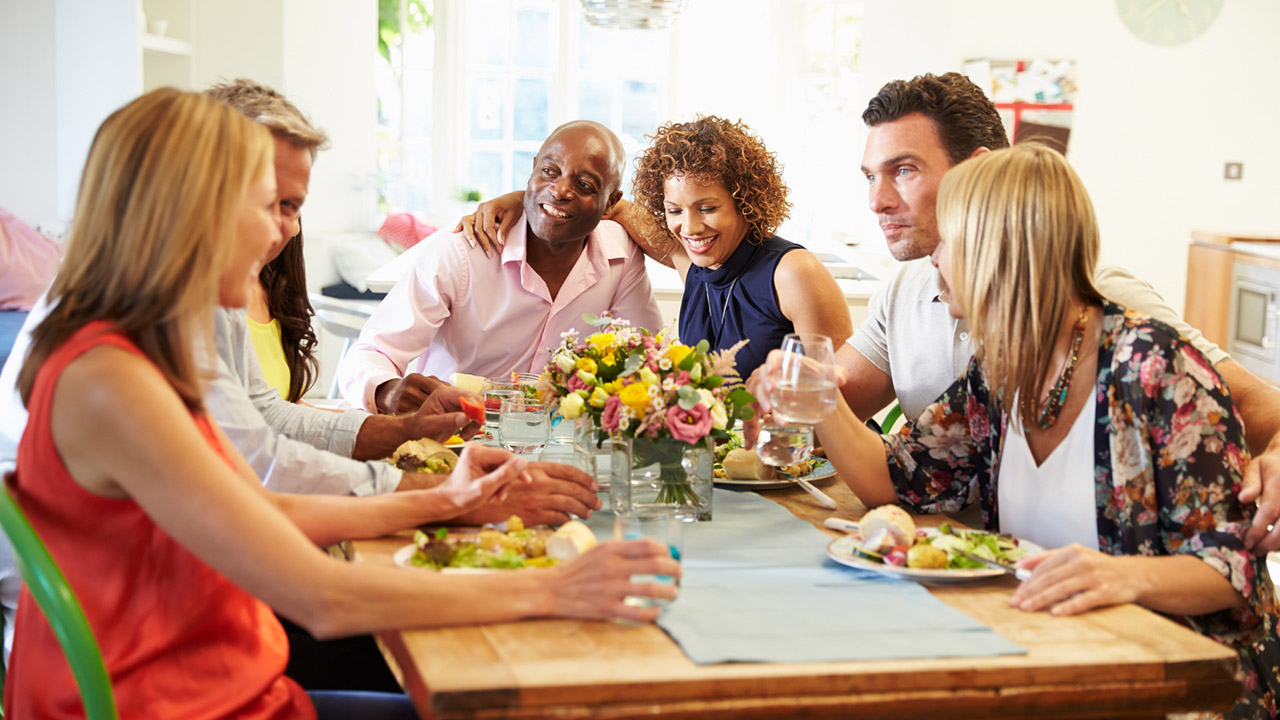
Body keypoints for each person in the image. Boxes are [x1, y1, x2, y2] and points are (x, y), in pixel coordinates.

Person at [5, 88, 678, 719]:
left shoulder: (148, 344)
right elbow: (322, 598)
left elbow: (261, 507)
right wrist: (554, 590)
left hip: (219, 670)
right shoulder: (110, 381)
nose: (282, 237)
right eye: (270, 206)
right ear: (192, 209)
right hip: (183, 698)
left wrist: (447, 499)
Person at [797, 144, 1278, 720]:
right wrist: (820, 398)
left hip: (1182, 686)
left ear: (997, 252)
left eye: (947, 243)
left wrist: (1121, 576)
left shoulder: (1154, 368)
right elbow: (899, 482)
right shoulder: (998, 370)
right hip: (1053, 663)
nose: (934, 261)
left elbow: (1231, 569)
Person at [751, 72, 1280, 553]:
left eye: (903, 171)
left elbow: (1249, 435)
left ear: (981, 175)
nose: (877, 201)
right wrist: (790, 394)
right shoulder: (932, 311)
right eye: (869, 176)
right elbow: (879, 456)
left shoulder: (1113, 314)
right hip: (999, 582)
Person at [457, 116, 852, 379]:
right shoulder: (694, 260)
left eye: (708, 208)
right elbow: (610, 204)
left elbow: (845, 389)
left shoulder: (792, 271)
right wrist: (515, 200)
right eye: (674, 210)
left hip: (807, 464)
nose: (690, 226)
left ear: (745, 200)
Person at [337, 120, 663, 415]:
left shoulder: (621, 256)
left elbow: (648, 361)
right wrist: (386, 390)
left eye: (585, 185)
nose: (560, 190)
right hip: (451, 438)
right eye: (549, 171)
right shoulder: (463, 251)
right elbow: (372, 351)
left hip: (558, 447)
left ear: (610, 203)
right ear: (533, 171)